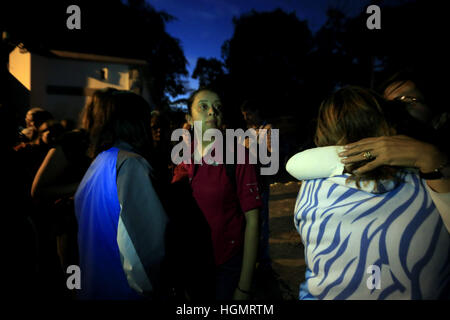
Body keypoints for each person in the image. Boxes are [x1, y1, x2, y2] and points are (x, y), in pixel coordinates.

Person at [286, 86, 450, 299]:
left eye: (410, 99)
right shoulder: (428, 183)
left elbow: (295, 164)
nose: (402, 105)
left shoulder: (314, 188)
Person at [74, 88, 168, 300]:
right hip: (122, 291)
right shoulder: (131, 164)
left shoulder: (99, 162)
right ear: (135, 123)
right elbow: (144, 252)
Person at [171, 88, 261, 300]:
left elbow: (253, 222)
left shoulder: (238, 156)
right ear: (189, 119)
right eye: (203, 107)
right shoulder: (182, 156)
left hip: (226, 267)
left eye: (218, 107)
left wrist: (244, 288)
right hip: (192, 266)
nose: (212, 111)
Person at [240, 99, 273, 273]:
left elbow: (271, 154)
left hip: (262, 181)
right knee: (250, 222)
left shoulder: (268, 129)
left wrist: (251, 145)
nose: (246, 117)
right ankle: (253, 259)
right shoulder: (247, 131)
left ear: (257, 112)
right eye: (244, 115)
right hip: (249, 182)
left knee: (263, 223)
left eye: (249, 114)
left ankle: (264, 261)